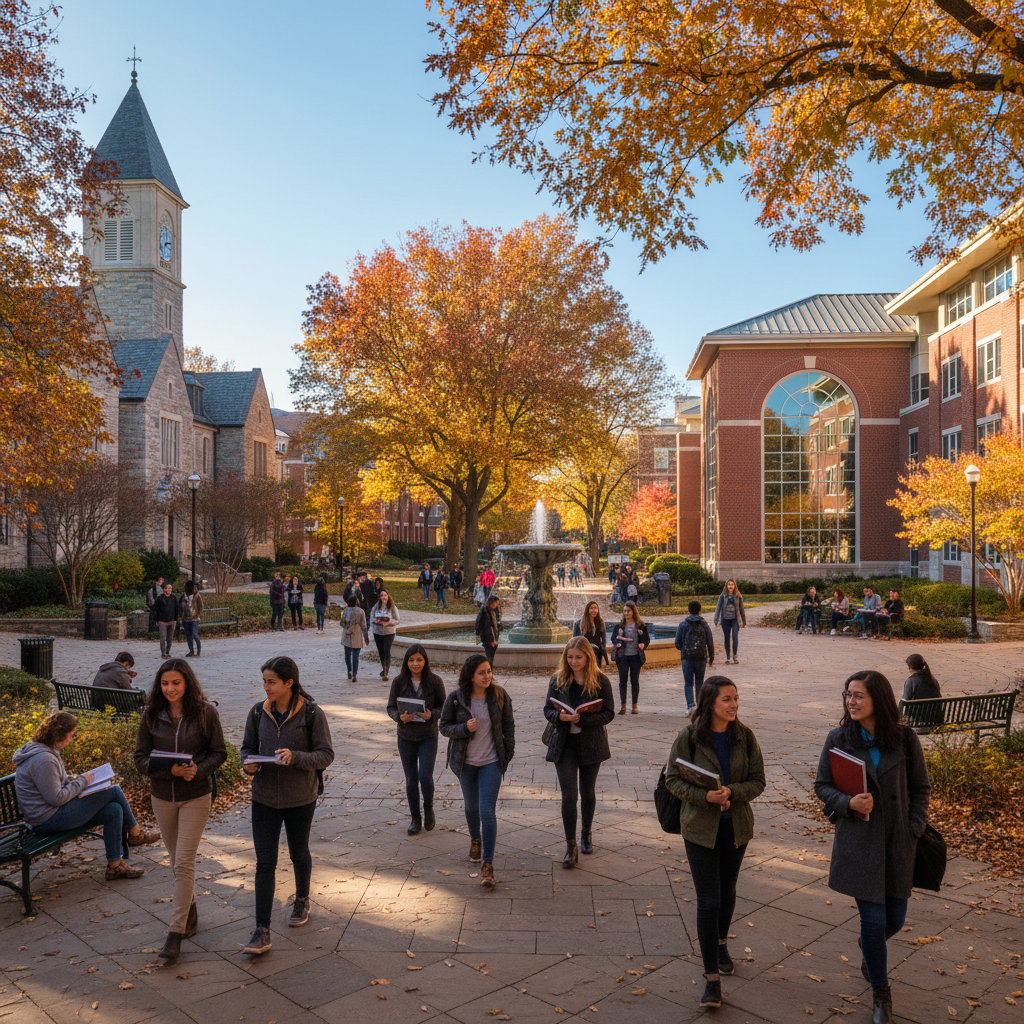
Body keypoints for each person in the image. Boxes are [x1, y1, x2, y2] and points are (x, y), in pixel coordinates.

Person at [814, 670, 930, 1024]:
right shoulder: (839, 738)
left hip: (898, 842)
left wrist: (913, 828)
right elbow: (822, 786)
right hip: (859, 843)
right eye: (848, 694)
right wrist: (848, 803)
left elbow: (921, 788)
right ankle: (881, 993)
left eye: (858, 695)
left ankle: (870, 948)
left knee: (894, 918)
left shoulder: (905, 739)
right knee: (874, 919)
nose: (851, 701)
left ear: (878, 699)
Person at [664, 677, 766, 1011]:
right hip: (699, 829)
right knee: (708, 900)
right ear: (710, 704)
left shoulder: (745, 737)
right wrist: (705, 796)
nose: (734, 705)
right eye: (726, 700)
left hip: (735, 827)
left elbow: (758, 781)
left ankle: (721, 942)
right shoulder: (690, 737)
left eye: (736, 698)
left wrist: (733, 794)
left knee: (728, 891)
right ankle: (711, 979)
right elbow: (672, 779)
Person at [240, 656, 335, 955]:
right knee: (265, 863)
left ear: (289, 683)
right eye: (264, 681)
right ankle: (262, 929)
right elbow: (247, 748)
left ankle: (302, 898)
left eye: (272, 682)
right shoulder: (257, 713)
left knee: (298, 852)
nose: (266, 687)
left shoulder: (311, 713)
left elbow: (326, 754)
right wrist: (248, 765)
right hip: (264, 798)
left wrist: (296, 757)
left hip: (300, 798)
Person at [134, 659, 227, 961]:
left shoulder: (205, 712)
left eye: (176, 682)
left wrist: (197, 770)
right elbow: (140, 758)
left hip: (196, 796)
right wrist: (168, 773)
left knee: (184, 862)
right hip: (162, 797)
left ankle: (175, 933)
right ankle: (191, 909)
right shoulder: (151, 715)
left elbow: (219, 753)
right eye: (165, 683)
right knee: (176, 862)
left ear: (187, 682)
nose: (170, 688)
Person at [13, 711, 159, 882]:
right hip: (46, 819)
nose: (72, 739)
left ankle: (115, 866)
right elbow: (56, 798)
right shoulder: (44, 759)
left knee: (113, 809)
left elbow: (60, 787)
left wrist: (84, 784)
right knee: (114, 791)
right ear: (59, 735)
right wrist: (82, 781)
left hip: (52, 812)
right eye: (71, 735)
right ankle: (136, 834)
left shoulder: (45, 750)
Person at [439, 654, 515, 891]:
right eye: (481, 673)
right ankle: (475, 839)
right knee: (471, 808)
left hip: (491, 762)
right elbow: (443, 727)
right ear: (470, 675)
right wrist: (464, 728)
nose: (487, 676)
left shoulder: (500, 695)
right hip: (466, 763)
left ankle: (488, 864)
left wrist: (506, 754)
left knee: (487, 811)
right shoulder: (456, 698)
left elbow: (509, 727)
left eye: (489, 671)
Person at [543, 637, 615, 866]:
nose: (573, 661)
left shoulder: (601, 680)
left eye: (578, 657)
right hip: (564, 744)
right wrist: (560, 716)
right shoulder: (557, 679)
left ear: (588, 657)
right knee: (569, 795)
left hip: (591, 742)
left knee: (588, 792)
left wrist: (584, 718)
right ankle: (570, 845)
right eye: (570, 657)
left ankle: (586, 833)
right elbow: (547, 709)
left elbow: (609, 712)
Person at [387, 644, 446, 835]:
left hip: (428, 735)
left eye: (419, 659)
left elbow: (444, 707)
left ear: (425, 661)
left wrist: (432, 715)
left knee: (425, 777)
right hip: (405, 736)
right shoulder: (398, 682)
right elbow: (390, 707)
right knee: (411, 780)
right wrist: (399, 717)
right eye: (411, 660)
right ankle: (415, 818)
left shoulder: (435, 681)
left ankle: (428, 808)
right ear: (406, 662)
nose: (415, 663)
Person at [610, 601, 650, 715]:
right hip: (622, 657)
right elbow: (614, 638)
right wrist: (617, 643)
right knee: (622, 681)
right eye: (624, 611)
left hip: (636, 657)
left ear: (633, 612)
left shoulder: (641, 625)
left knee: (634, 681)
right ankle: (623, 706)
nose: (626, 613)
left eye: (628, 611)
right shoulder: (619, 626)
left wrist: (643, 645)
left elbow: (646, 639)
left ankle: (634, 706)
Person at [675, 600, 716, 712]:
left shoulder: (683, 624)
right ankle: (699, 706)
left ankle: (690, 706)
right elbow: (710, 642)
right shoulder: (704, 624)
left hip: (687, 658)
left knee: (688, 683)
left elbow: (677, 643)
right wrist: (711, 657)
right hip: (701, 658)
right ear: (700, 611)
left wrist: (684, 649)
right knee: (699, 682)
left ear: (689, 610)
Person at [370, 589, 401, 679]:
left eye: (385, 595)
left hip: (389, 632)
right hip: (378, 632)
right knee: (381, 651)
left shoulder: (392, 607)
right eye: (382, 595)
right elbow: (371, 617)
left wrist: (389, 622)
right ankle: (384, 669)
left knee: (386, 650)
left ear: (388, 596)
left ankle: (386, 672)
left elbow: (398, 620)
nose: (383, 597)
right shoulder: (376, 607)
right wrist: (376, 622)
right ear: (379, 597)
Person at [713, 580, 746, 665]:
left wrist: (744, 622)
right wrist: (716, 620)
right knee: (726, 637)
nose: (730, 586)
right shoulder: (722, 596)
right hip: (725, 620)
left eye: (732, 584)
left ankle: (734, 656)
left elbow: (742, 610)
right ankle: (728, 656)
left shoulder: (738, 596)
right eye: (729, 584)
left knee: (735, 636)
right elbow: (718, 608)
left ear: (735, 586)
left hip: (735, 620)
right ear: (726, 586)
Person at [341, 594, 369, 681]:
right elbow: (364, 626)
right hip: (357, 635)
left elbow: (342, 623)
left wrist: (348, 626)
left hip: (347, 635)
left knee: (347, 655)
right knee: (356, 655)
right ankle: (354, 674)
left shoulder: (346, 611)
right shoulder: (361, 611)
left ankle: (349, 670)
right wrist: (366, 637)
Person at [572, 601, 609, 667]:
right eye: (591, 608)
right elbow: (574, 640)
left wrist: (603, 651)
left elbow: (604, 639)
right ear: (587, 610)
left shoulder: (600, 623)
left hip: (597, 653)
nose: (594, 610)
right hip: (585, 652)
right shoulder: (579, 624)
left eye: (595, 608)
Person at [154, 582, 180, 658]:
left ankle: (168, 651)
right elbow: (156, 609)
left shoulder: (174, 598)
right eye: (167, 588)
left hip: (171, 620)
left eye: (170, 588)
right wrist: (157, 620)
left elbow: (177, 609)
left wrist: (176, 619)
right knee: (163, 637)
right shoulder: (160, 598)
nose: (168, 589)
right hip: (162, 621)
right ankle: (163, 653)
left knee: (170, 638)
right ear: (164, 589)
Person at [180, 580, 204, 657]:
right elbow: (179, 606)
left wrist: (198, 616)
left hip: (194, 618)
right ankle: (191, 651)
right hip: (185, 618)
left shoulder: (197, 595)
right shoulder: (183, 596)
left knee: (194, 634)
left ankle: (198, 651)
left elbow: (201, 606)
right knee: (188, 635)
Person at [475, 595, 501, 664]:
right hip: (488, 639)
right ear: (491, 603)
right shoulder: (485, 611)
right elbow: (487, 627)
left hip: (490, 638)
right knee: (489, 656)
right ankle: (489, 670)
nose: (496, 606)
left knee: (490, 656)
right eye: (496, 604)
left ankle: (489, 670)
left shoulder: (490, 610)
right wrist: (491, 640)